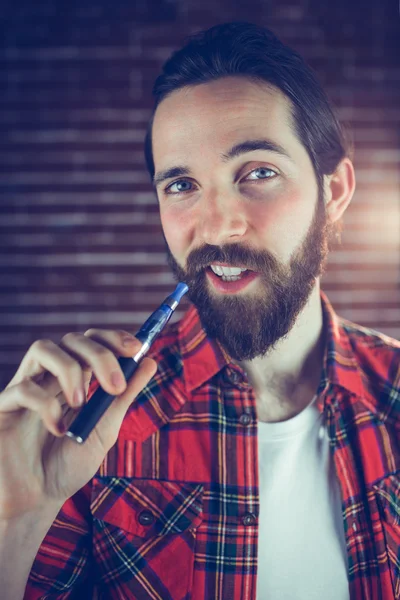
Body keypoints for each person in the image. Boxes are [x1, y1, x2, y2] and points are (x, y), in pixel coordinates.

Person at [0, 21, 398, 600]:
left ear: (333, 192)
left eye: (258, 173)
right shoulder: (88, 424)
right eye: (182, 185)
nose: (216, 226)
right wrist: (14, 518)